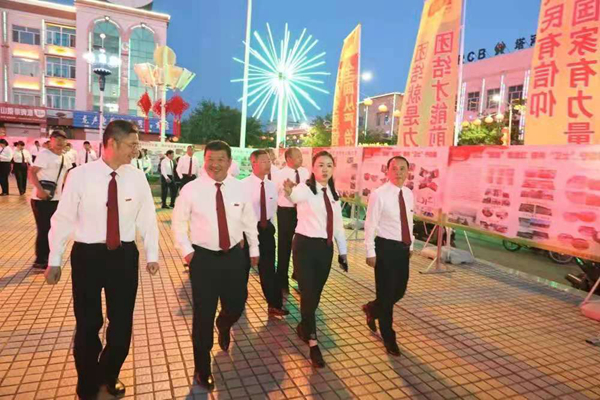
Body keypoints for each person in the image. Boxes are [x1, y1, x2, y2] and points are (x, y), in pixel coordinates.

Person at [45, 120, 159, 400]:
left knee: (121, 322)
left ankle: (109, 373)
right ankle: (86, 380)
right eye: (132, 144)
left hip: (124, 256)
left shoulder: (137, 177)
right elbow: (63, 218)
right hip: (88, 256)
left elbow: (147, 218)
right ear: (112, 143)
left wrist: (152, 254)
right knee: (88, 322)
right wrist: (54, 259)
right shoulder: (80, 176)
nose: (136, 150)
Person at [172, 140, 259, 390]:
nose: (215, 164)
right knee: (203, 314)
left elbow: (249, 221)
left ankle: (224, 323)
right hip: (203, 259)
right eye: (211, 159)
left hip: (234, 257)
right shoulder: (191, 189)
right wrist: (188, 253)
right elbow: (178, 223)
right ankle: (202, 367)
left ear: (230, 162)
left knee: (237, 303)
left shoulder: (239, 188)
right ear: (204, 160)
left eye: (221, 159)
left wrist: (254, 249)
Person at [282, 150, 348, 368]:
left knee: (315, 295)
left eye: (329, 165)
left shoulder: (333, 194)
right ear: (313, 167)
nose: (325, 169)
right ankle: (313, 343)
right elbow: (293, 196)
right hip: (305, 247)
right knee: (308, 294)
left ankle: (304, 326)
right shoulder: (305, 189)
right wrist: (289, 190)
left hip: (325, 249)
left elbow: (338, 226)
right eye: (320, 165)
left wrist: (343, 252)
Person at [362, 156, 415, 357]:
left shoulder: (408, 193)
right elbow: (370, 224)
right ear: (387, 170)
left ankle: (372, 308)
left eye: (402, 169)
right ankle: (389, 337)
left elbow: (409, 220)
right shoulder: (379, 194)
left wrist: (411, 244)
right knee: (386, 294)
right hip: (385, 248)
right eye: (394, 168)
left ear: (408, 171)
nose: (398, 172)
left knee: (399, 291)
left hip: (403, 249)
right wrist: (370, 251)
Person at [242, 150, 288, 317]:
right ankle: (238, 302)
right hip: (247, 230)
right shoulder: (243, 185)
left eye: (269, 161)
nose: (268, 164)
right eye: (263, 161)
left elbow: (273, 209)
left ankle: (274, 304)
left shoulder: (271, 185)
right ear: (253, 163)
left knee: (268, 268)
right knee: (242, 269)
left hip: (266, 230)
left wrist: (271, 227)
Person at [28, 130, 68, 269]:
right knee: (44, 228)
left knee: (53, 229)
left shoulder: (65, 157)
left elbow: (65, 177)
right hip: (41, 199)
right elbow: (32, 172)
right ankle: (40, 259)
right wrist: (40, 190)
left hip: (56, 199)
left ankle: (49, 257)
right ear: (50, 140)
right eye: (56, 138)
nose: (59, 142)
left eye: (62, 139)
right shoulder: (44, 154)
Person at [274, 147, 310, 293]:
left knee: (302, 246)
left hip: (302, 212)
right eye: (297, 157)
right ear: (288, 159)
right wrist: (289, 189)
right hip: (286, 212)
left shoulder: (305, 172)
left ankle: (300, 277)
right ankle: (282, 280)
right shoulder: (280, 174)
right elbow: (276, 192)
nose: (301, 159)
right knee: (285, 245)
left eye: (301, 156)